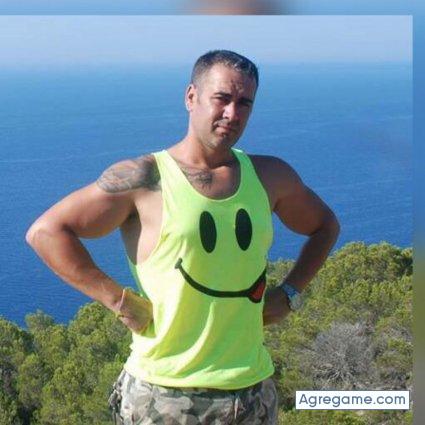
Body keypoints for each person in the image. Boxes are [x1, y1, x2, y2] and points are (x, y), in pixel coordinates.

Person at [26, 50, 340, 424]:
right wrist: (115, 299)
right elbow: (46, 232)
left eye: (244, 103)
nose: (232, 113)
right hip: (164, 395)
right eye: (222, 98)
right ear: (191, 97)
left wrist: (290, 293)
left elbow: (325, 226)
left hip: (251, 390)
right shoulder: (145, 177)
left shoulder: (270, 176)